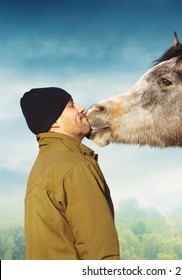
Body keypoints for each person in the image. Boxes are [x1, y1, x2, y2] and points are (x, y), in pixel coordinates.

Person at [20, 87, 120, 260]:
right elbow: (99, 251)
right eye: (71, 105)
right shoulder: (75, 167)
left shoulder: (41, 169)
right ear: (54, 122)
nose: (82, 108)